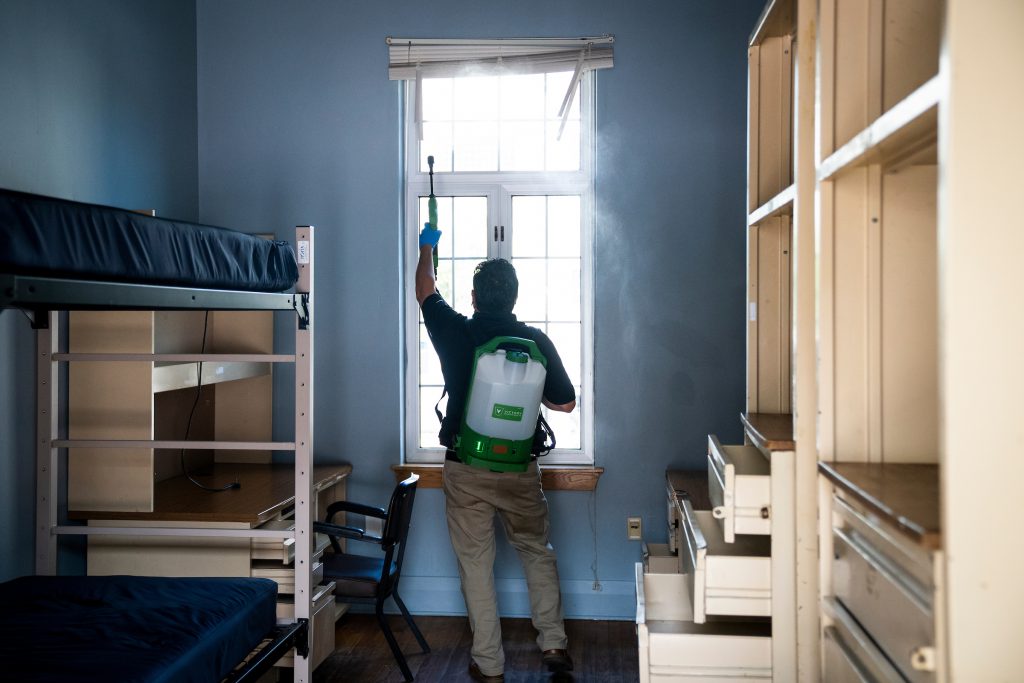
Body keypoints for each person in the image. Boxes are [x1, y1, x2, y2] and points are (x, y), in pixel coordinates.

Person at [415, 224, 577, 683]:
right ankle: (554, 645)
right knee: (536, 551)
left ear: (473, 297)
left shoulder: (455, 331)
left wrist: (428, 246)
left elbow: (424, 288)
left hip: (466, 469)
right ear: (514, 298)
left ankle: (489, 663)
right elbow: (564, 403)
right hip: (521, 468)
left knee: (475, 564)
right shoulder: (537, 342)